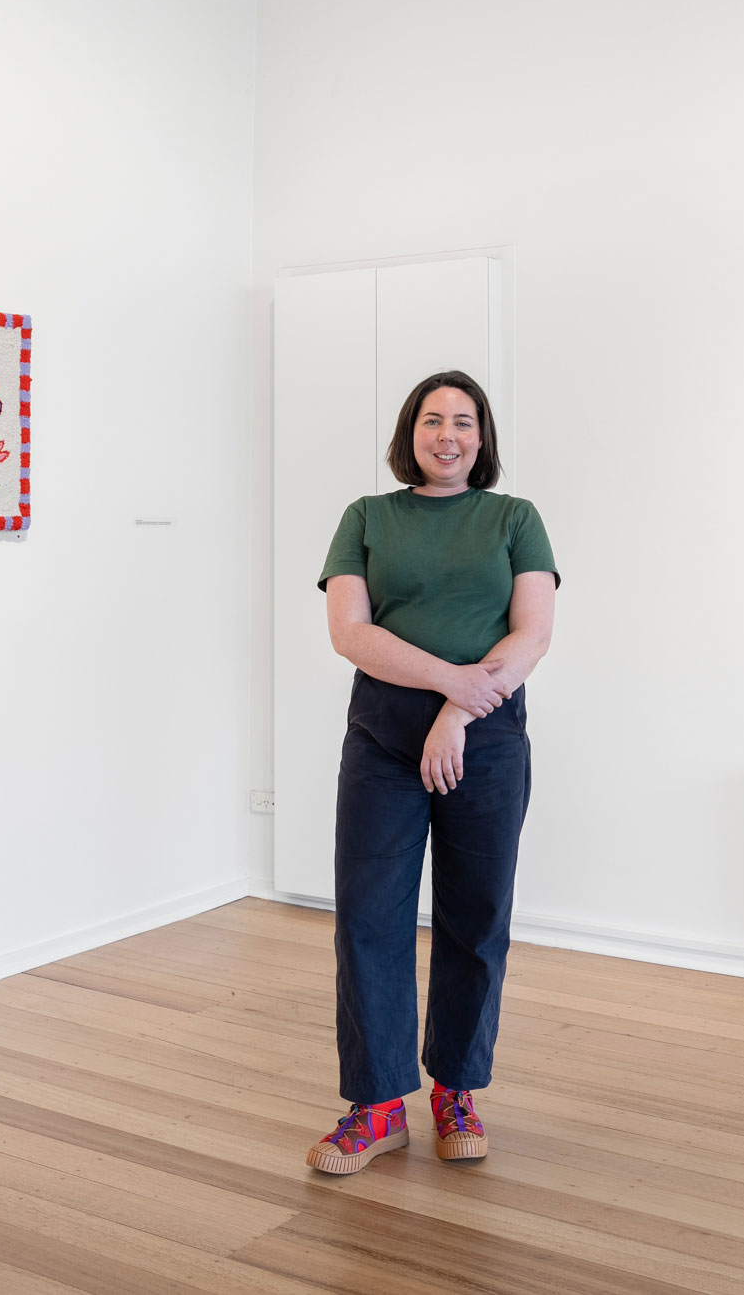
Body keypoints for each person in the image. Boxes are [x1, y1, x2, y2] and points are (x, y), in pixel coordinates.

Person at [305, 368, 559, 1174]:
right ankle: (378, 1103)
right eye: (431, 419)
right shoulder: (367, 518)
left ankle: (455, 1088)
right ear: (408, 433)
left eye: (464, 421)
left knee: (474, 919)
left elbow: (532, 635)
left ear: (482, 438)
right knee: (369, 917)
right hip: (383, 738)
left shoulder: (515, 518)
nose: (447, 433)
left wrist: (459, 710)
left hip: (483, 738)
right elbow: (350, 631)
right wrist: (448, 681)